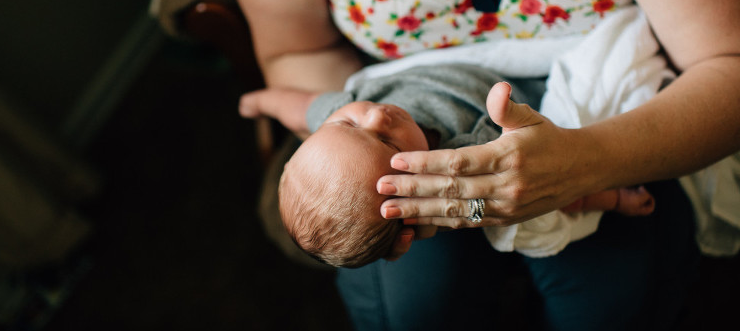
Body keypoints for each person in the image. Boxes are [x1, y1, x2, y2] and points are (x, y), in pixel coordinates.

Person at [211, 0, 740, 328]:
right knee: (414, 309)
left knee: (607, 293)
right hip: (401, 158)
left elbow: (727, 64)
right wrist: (283, 112)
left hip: (604, 111)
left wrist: (587, 168)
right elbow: (299, 65)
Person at [239, 63, 655, 268]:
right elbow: (549, 192)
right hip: (525, 93)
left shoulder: (333, 120)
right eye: (384, 142)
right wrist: (610, 195)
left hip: (457, 57)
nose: (378, 116)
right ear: (415, 197)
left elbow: (301, 108)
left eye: (349, 121)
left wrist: (262, 101)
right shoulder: (465, 169)